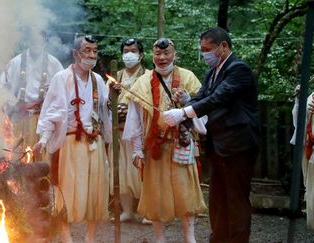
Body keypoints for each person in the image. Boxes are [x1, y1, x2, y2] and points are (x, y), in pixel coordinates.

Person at [163, 27, 260, 242]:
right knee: (217, 198)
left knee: (236, 199)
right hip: (218, 144)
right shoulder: (212, 71)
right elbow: (203, 96)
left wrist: (183, 113)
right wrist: (186, 103)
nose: (204, 54)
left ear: (223, 46)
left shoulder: (238, 69)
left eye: (208, 49)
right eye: (202, 49)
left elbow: (218, 98)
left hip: (238, 145)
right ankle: (219, 238)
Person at [123, 37, 206, 243]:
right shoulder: (142, 82)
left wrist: (188, 103)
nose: (161, 58)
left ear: (174, 55)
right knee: (156, 197)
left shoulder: (188, 78)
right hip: (155, 146)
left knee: (186, 195)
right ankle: (159, 239)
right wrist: (136, 149)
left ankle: (190, 238)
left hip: (182, 143)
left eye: (166, 53)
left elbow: (205, 111)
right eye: (157, 54)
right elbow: (135, 119)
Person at [33, 35, 111, 243]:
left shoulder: (99, 80)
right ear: (76, 53)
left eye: (95, 51)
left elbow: (105, 112)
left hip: (94, 143)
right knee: (65, 191)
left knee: (94, 191)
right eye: (87, 50)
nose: (92, 55)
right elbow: (52, 111)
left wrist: (112, 101)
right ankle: (67, 238)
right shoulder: (62, 78)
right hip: (69, 143)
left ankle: (90, 238)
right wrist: (44, 137)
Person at [108, 37, 151, 224]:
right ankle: (127, 211)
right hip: (118, 129)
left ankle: (148, 211)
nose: (129, 54)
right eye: (126, 51)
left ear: (141, 55)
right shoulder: (114, 76)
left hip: (139, 131)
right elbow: (104, 102)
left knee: (142, 171)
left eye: (133, 51)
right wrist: (113, 101)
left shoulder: (149, 76)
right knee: (122, 171)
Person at [0, 39, 63, 160]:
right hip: (19, 119)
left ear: (45, 41)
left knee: (43, 161)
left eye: (39, 38)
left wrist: (52, 93)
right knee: (18, 159)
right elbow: (1, 90)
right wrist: (13, 104)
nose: (36, 42)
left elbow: (63, 93)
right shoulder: (15, 63)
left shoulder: (54, 64)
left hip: (45, 122)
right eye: (33, 37)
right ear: (27, 41)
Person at [291, 85, 314, 230]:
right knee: (310, 187)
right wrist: (299, 101)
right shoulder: (312, 96)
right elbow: (299, 122)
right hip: (309, 147)